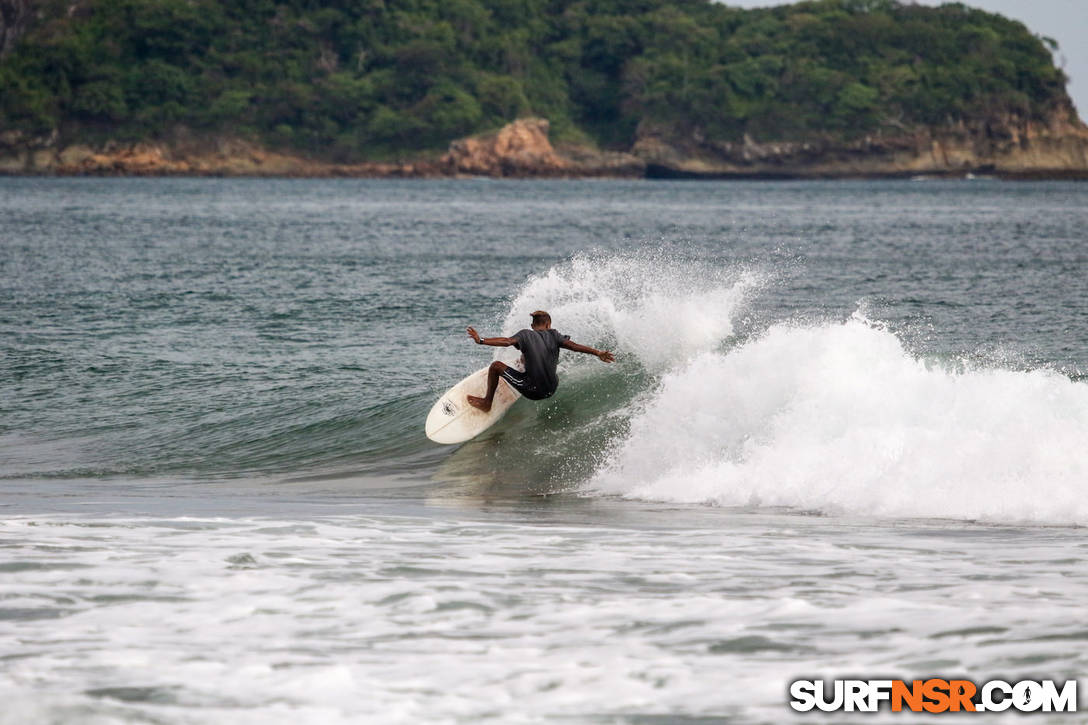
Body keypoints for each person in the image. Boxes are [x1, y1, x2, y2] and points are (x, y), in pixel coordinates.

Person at [465, 310, 614, 412]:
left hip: (533, 391)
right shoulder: (555, 334)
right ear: (549, 325)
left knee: (496, 366)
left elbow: (506, 342)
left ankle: (487, 403)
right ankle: (523, 366)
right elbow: (574, 346)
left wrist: (481, 340)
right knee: (528, 356)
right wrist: (598, 352)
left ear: (532, 326)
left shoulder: (525, 334)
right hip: (553, 387)